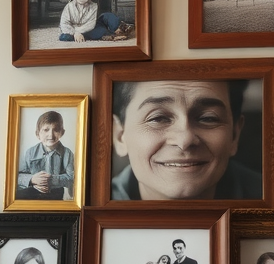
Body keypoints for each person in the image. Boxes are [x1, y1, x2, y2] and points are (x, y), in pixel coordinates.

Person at [111, 79, 261, 200]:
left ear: (235, 135)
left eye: (208, 118)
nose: (185, 140)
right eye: (158, 118)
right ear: (120, 136)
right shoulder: (90, 212)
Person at [17, 110, 74, 201]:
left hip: (57, 195)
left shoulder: (68, 153)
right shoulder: (30, 153)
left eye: (55, 130)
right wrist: (32, 179)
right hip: (32, 194)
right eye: (46, 130)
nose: (50, 135)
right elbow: (17, 176)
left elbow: (72, 178)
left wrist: (52, 180)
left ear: (62, 132)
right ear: (37, 134)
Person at [58, 0, 132, 42]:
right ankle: (110, 35)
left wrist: (77, 31)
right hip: (79, 31)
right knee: (64, 37)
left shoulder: (93, 6)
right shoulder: (69, 7)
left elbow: (90, 25)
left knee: (107, 16)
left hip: (91, 26)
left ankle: (120, 29)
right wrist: (75, 33)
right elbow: (64, 24)